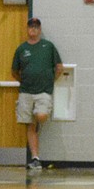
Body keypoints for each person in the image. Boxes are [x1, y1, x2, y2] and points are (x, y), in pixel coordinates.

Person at [11, 16, 63, 172]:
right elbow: (14, 71)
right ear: (27, 29)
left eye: (36, 27)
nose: (33, 29)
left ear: (39, 30)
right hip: (26, 91)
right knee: (29, 124)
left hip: (43, 91)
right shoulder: (21, 49)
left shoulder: (48, 46)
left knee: (41, 116)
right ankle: (35, 158)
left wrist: (49, 81)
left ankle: (38, 117)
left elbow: (59, 67)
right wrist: (24, 81)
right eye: (30, 26)